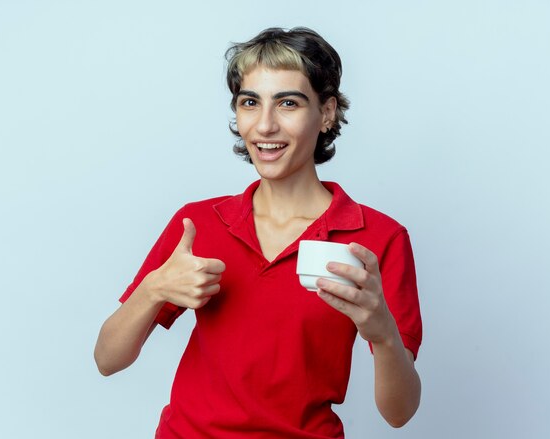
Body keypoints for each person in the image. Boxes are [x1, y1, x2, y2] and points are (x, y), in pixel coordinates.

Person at [94, 27, 422, 438]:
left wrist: (384, 333)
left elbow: (400, 413)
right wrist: (155, 288)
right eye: (250, 103)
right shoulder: (198, 224)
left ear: (326, 113)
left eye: (288, 103)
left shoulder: (377, 238)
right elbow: (107, 359)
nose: (265, 125)